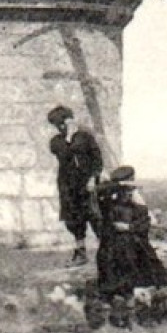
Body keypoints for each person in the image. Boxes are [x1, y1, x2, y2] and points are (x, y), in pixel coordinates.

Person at [91, 166, 167, 330]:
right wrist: (114, 184)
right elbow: (94, 196)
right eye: (124, 190)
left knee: (130, 285)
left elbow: (144, 226)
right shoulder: (108, 207)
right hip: (110, 251)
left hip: (132, 252)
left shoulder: (139, 209)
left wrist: (128, 227)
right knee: (108, 285)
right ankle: (105, 324)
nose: (128, 194)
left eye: (130, 190)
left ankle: (131, 321)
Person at [47, 104, 105, 265]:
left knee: (95, 217)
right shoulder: (56, 142)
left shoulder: (86, 137)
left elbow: (97, 159)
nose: (60, 127)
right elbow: (65, 154)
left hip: (87, 183)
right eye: (58, 125)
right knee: (74, 218)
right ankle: (80, 253)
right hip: (68, 185)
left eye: (62, 123)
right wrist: (69, 138)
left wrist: (93, 178)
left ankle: (107, 252)